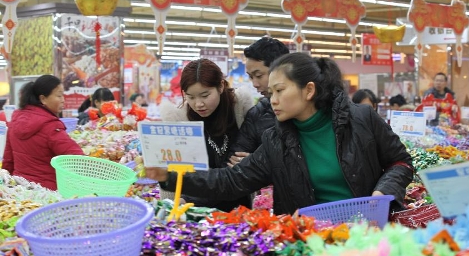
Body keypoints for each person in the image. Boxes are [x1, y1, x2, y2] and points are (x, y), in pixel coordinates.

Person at [148, 53, 414, 215]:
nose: (271, 100)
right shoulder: (276, 141)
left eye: (279, 90)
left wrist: (384, 192)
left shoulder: (361, 120)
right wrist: (170, 177)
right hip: (306, 238)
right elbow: (231, 181)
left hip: (365, 229)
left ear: (308, 91)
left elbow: (400, 162)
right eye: (270, 92)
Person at [159, 58, 254, 212]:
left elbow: (257, 153)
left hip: (240, 211)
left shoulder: (240, 111)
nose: (198, 104)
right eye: (190, 97)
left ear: (221, 86)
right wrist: (170, 205)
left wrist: (251, 160)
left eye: (205, 95)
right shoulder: (180, 120)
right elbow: (172, 169)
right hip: (194, 212)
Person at [2, 75, 84, 190]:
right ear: (43, 99)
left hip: (20, 190)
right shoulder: (51, 126)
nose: (63, 100)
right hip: (48, 193)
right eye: (59, 95)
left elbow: (8, 161)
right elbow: (77, 160)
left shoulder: (15, 120)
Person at [227, 37, 289, 167]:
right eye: (250, 77)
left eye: (259, 76)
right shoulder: (257, 114)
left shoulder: (310, 110)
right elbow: (235, 159)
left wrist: (258, 164)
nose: (254, 84)